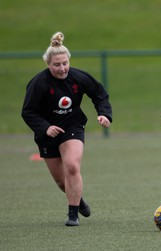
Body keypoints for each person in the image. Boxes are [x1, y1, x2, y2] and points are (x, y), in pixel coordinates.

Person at [21, 32, 112, 227]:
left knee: (71, 165)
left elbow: (99, 94)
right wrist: (45, 128)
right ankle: (78, 200)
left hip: (73, 126)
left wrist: (104, 114)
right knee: (62, 183)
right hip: (47, 135)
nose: (62, 68)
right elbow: (28, 112)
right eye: (57, 64)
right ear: (48, 64)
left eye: (65, 63)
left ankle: (73, 216)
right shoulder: (38, 83)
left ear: (69, 60)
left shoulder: (79, 77)